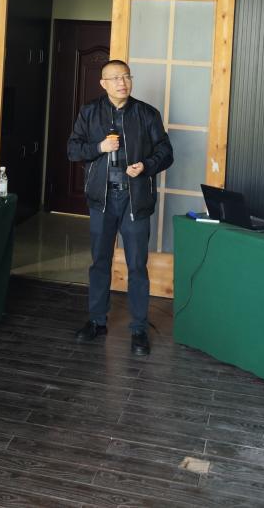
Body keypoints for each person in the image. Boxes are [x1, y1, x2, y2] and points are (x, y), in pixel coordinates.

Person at [67, 59, 173, 357]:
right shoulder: (90, 112)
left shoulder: (146, 113)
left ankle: (139, 329)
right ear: (103, 83)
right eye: (114, 78)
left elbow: (166, 151)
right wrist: (99, 148)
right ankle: (97, 321)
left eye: (126, 76)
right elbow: (73, 149)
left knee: (137, 265)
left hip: (134, 199)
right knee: (100, 262)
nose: (122, 82)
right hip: (102, 200)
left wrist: (146, 166)